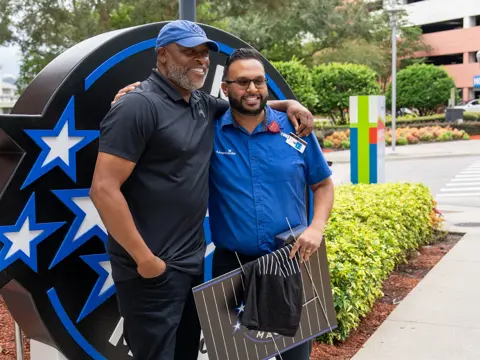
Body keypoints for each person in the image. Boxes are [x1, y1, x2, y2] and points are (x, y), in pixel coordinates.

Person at [90, 20, 315, 360]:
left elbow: (249, 102)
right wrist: (146, 260)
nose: (199, 60)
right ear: (163, 55)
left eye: (203, 53)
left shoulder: (201, 104)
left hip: (190, 266)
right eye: (187, 52)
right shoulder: (138, 105)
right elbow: (103, 189)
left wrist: (291, 105)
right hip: (151, 271)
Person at [208, 48, 334, 359]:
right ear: (225, 88)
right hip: (232, 266)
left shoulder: (297, 129)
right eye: (242, 82)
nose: (252, 89)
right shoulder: (208, 132)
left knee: (295, 355)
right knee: (236, 356)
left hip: (292, 260)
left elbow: (323, 184)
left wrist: (317, 227)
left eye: (258, 81)